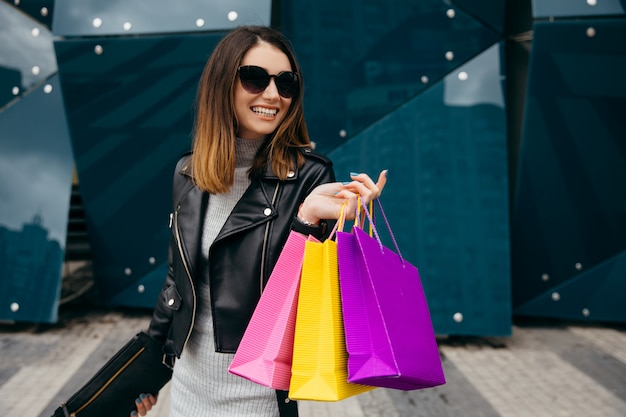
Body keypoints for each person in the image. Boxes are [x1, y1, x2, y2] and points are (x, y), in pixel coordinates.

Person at [132, 25, 387, 417]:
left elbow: (309, 303)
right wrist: (145, 374)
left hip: (259, 400)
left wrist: (309, 222)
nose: (272, 95)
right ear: (222, 84)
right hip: (186, 390)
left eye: (285, 83)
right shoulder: (188, 173)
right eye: (255, 78)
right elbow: (175, 283)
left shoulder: (311, 178)